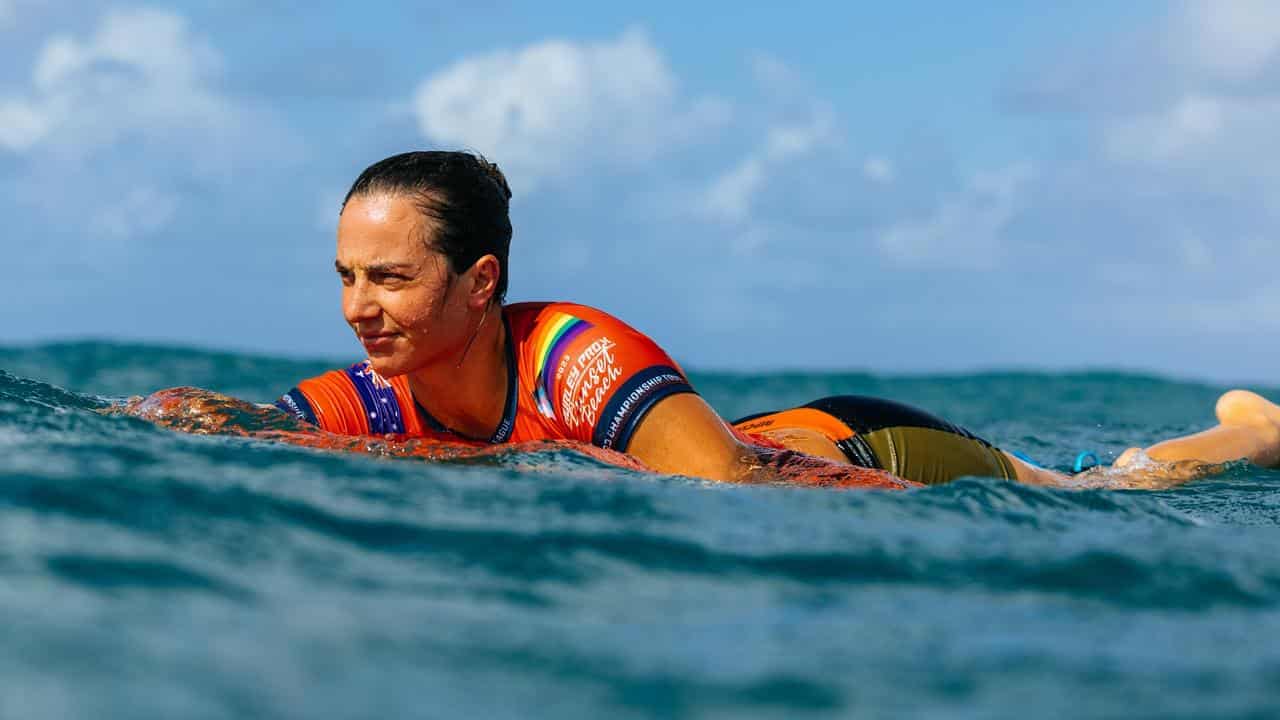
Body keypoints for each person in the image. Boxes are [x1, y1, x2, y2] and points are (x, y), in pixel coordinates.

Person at [274, 150, 1280, 489]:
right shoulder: (373, 391)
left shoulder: (579, 361)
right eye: (346, 276)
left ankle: (1253, 433)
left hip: (868, 444)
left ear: (479, 281)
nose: (358, 307)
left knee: (1094, 489)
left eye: (390, 278)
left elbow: (734, 491)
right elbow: (228, 429)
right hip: (781, 432)